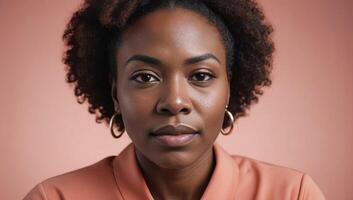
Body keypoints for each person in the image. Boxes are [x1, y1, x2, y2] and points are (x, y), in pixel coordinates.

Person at [24, 0, 325, 199]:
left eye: (201, 76)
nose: (175, 101)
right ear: (115, 92)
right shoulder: (54, 198)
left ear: (229, 89)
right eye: (145, 77)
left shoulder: (292, 194)